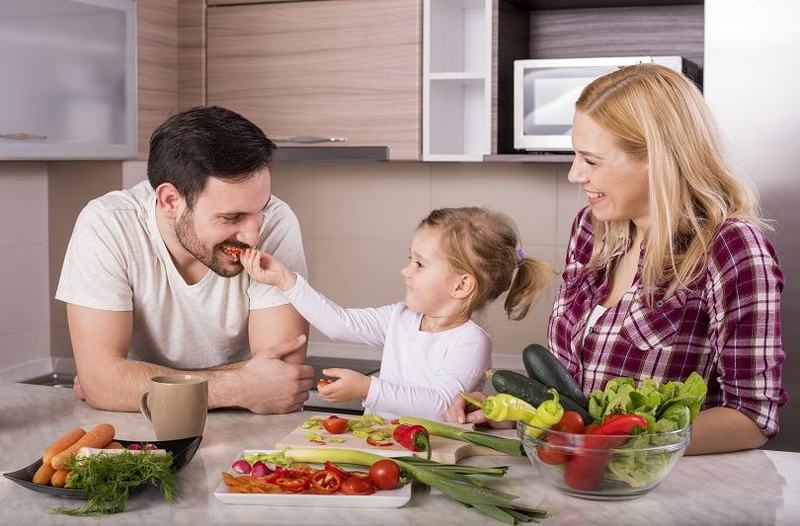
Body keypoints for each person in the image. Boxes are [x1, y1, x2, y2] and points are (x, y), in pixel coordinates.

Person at [447, 64, 787, 455]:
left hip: (669, 493)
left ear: (657, 159)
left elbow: (751, 418)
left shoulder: (731, 248)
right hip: (577, 477)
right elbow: (570, 395)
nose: (575, 174)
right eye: (575, 156)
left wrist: (614, 443)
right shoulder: (593, 229)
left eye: (591, 161)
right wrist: (518, 412)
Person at [56, 106, 315, 414]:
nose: (253, 237)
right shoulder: (108, 224)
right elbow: (103, 383)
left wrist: (127, 382)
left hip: (244, 429)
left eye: (260, 210)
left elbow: (281, 379)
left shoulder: (275, 222)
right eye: (232, 217)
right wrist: (241, 386)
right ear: (170, 201)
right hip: (146, 431)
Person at [240, 207, 551, 420]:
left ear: (461, 285)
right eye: (409, 259)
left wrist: (367, 388)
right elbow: (338, 324)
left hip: (431, 456)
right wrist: (285, 280)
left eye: (420, 264)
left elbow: (441, 406)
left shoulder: (470, 341)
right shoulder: (399, 318)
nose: (405, 270)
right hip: (382, 446)